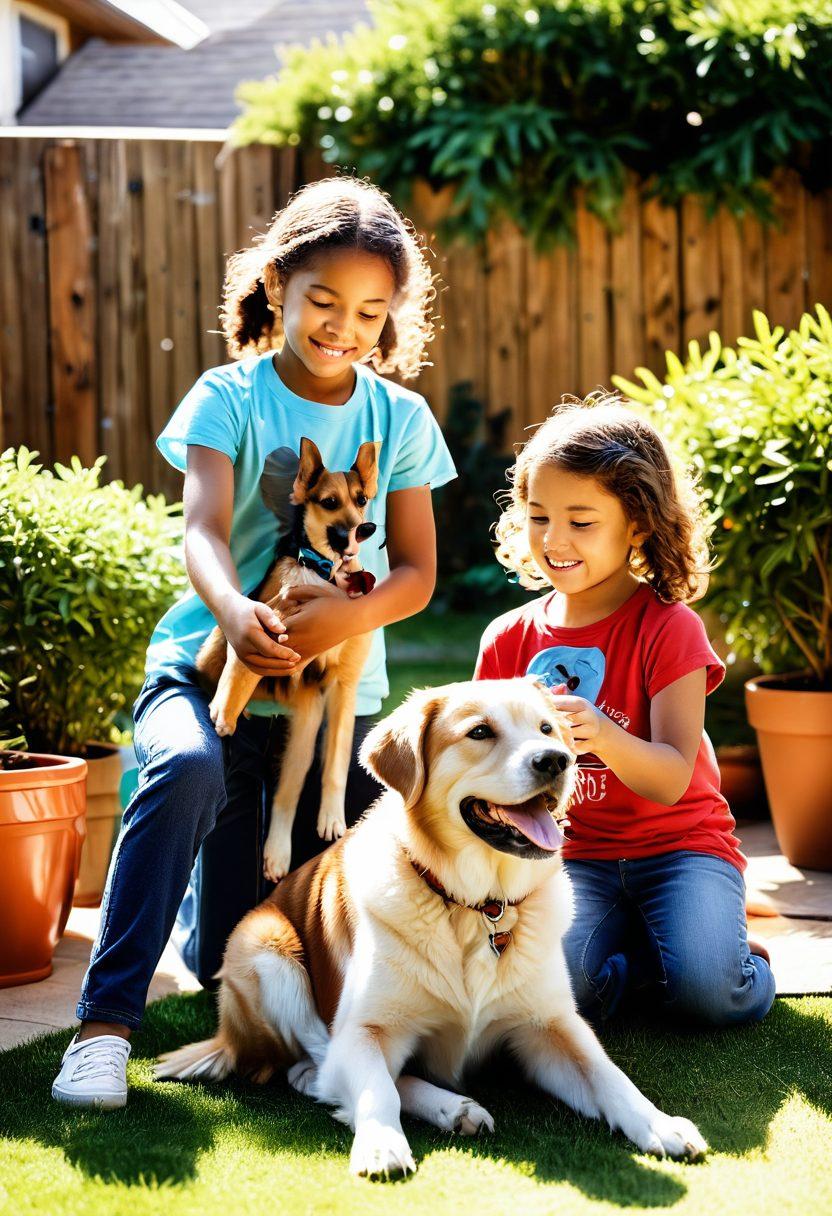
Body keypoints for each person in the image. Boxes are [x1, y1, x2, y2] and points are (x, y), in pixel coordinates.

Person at [52, 176, 456, 1109]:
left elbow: (417, 575)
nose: (343, 327)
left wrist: (345, 618)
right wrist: (236, 609)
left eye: (369, 312)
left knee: (258, 937)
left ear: (392, 316)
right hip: (212, 670)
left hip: (330, 709)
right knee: (187, 769)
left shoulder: (400, 419)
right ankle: (103, 1029)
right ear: (277, 284)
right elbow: (200, 532)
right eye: (323, 301)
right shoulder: (226, 395)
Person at [474, 394, 775, 1028]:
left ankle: (734, 961)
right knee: (549, 995)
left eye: (581, 522)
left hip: (682, 850)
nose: (554, 539)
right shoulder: (507, 638)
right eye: (538, 516)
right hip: (573, 857)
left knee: (706, 995)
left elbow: (670, 780)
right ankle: (650, 955)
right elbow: (484, 767)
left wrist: (604, 735)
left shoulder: (670, 628)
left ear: (637, 524)